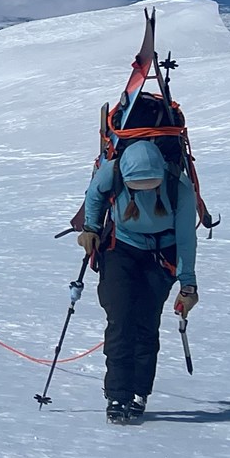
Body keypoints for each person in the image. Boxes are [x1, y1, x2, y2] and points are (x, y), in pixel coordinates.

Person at [77, 139, 199, 423]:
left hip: (161, 254)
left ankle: (139, 392)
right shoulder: (114, 170)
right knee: (120, 320)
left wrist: (188, 284)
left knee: (146, 323)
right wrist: (91, 228)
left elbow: (185, 238)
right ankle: (118, 394)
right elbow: (94, 194)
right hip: (121, 248)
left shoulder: (178, 186)